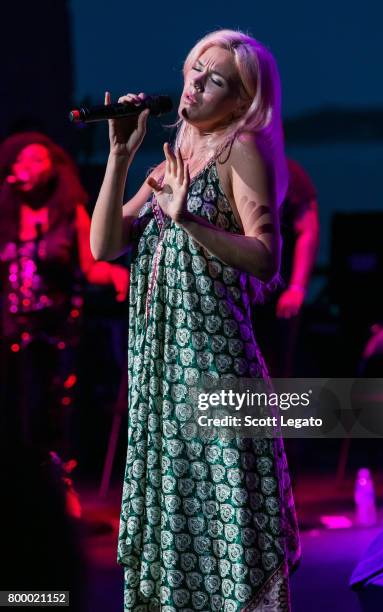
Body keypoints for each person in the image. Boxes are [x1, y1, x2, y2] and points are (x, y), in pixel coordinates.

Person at [90, 29, 300, 611]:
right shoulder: (176, 159)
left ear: (242, 101)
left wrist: (188, 221)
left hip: (215, 366)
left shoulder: (243, 149)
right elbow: (104, 246)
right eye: (193, 69)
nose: (195, 84)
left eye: (215, 80)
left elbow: (266, 256)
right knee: (181, 526)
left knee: (229, 527)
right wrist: (119, 155)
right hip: (163, 375)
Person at [0, 131, 129, 466]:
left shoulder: (70, 213)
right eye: (22, 159)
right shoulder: (5, 214)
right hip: (9, 330)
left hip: (55, 330)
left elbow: (91, 267)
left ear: (53, 168)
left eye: (37, 159)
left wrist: (117, 274)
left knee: (52, 409)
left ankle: (57, 484)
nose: (28, 166)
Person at [252, 158, 319, 377]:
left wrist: (297, 288)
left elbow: (308, 229)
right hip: (237, 292)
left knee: (279, 367)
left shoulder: (287, 171)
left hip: (278, 293)